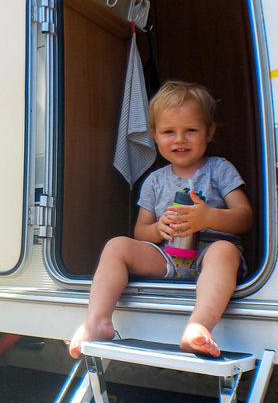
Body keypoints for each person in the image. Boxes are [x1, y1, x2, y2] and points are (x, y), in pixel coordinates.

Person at [69, 80, 254, 358]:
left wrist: (209, 217)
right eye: (169, 132)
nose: (180, 140)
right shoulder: (154, 181)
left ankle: (198, 327)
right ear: (155, 136)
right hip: (168, 257)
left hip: (210, 256)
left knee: (225, 250)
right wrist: (159, 227)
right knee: (117, 245)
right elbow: (141, 232)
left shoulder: (220, 169)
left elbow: (245, 218)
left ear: (209, 132)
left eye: (191, 130)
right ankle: (98, 322)